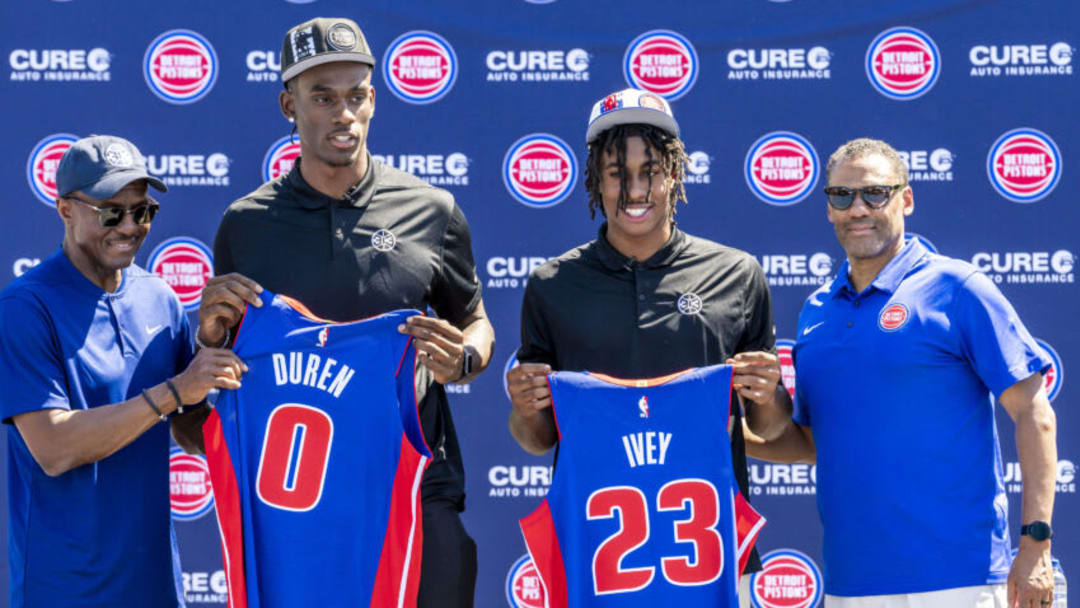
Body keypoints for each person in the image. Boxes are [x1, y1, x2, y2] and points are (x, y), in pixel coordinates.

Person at [197, 18, 494, 607]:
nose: (344, 115)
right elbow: (223, 364)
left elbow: (477, 324)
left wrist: (461, 359)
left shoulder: (432, 210)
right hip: (295, 501)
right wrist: (209, 337)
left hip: (415, 481)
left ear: (374, 100)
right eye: (323, 97)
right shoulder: (246, 225)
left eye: (357, 96)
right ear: (289, 104)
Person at [506, 88, 794, 605]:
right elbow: (537, 439)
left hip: (715, 557)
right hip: (595, 559)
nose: (635, 190)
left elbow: (769, 427)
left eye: (651, 170)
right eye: (617, 173)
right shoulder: (552, 284)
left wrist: (769, 393)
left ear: (675, 174)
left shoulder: (735, 273)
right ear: (596, 178)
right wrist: (524, 408)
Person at [777, 137, 1057, 607]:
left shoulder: (958, 287)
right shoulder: (815, 311)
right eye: (841, 196)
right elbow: (811, 444)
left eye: (874, 193)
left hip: (960, 578)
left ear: (906, 198)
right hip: (852, 583)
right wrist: (718, 429)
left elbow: (1035, 415)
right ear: (828, 209)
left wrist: (1035, 544)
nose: (857, 208)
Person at [0, 135, 247, 607]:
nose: (130, 226)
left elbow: (193, 433)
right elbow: (54, 447)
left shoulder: (160, 298)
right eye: (112, 212)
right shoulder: (25, 307)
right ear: (65, 210)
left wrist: (211, 349)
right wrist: (174, 390)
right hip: (62, 589)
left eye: (144, 211)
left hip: (155, 585)